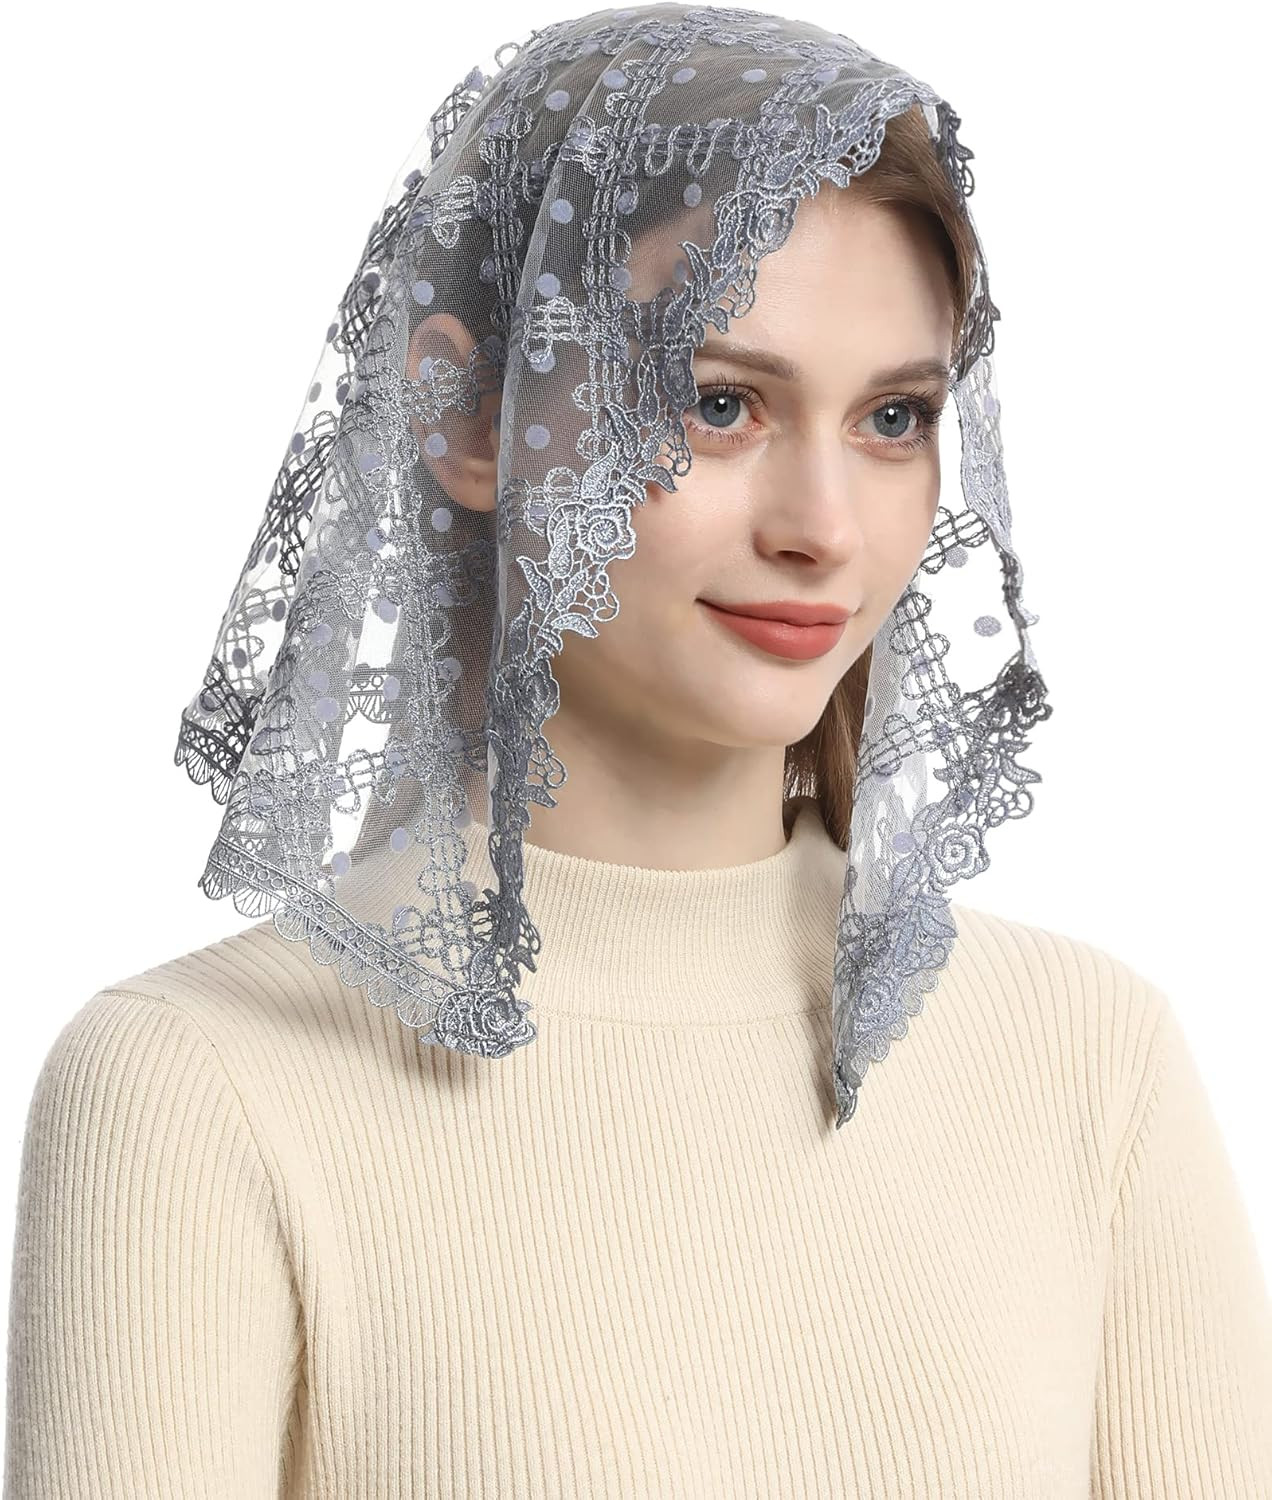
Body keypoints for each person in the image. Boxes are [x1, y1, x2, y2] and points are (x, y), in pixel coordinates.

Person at [5, 4, 1270, 1495]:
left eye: (892, 418)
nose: (824, 528)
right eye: (720, 404)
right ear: (468, 416)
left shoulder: (1091, 1064)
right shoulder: (201, 1088)